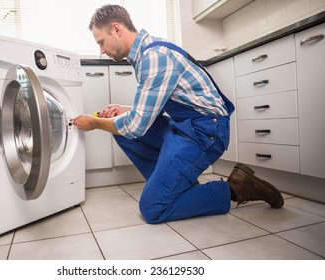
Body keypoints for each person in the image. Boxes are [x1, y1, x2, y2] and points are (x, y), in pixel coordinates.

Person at [74, 4, 284, 223]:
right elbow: (161, 100)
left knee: (153, 208)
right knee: (120, 129)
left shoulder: (154, 56)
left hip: (206, 132)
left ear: (116, 29)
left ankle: (236, 188)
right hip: (184, 126)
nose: (102, 50)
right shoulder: (146, 53)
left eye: (101, 42)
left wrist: (95, 123)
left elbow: (136, 126)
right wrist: (127, 109)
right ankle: (176, 186)